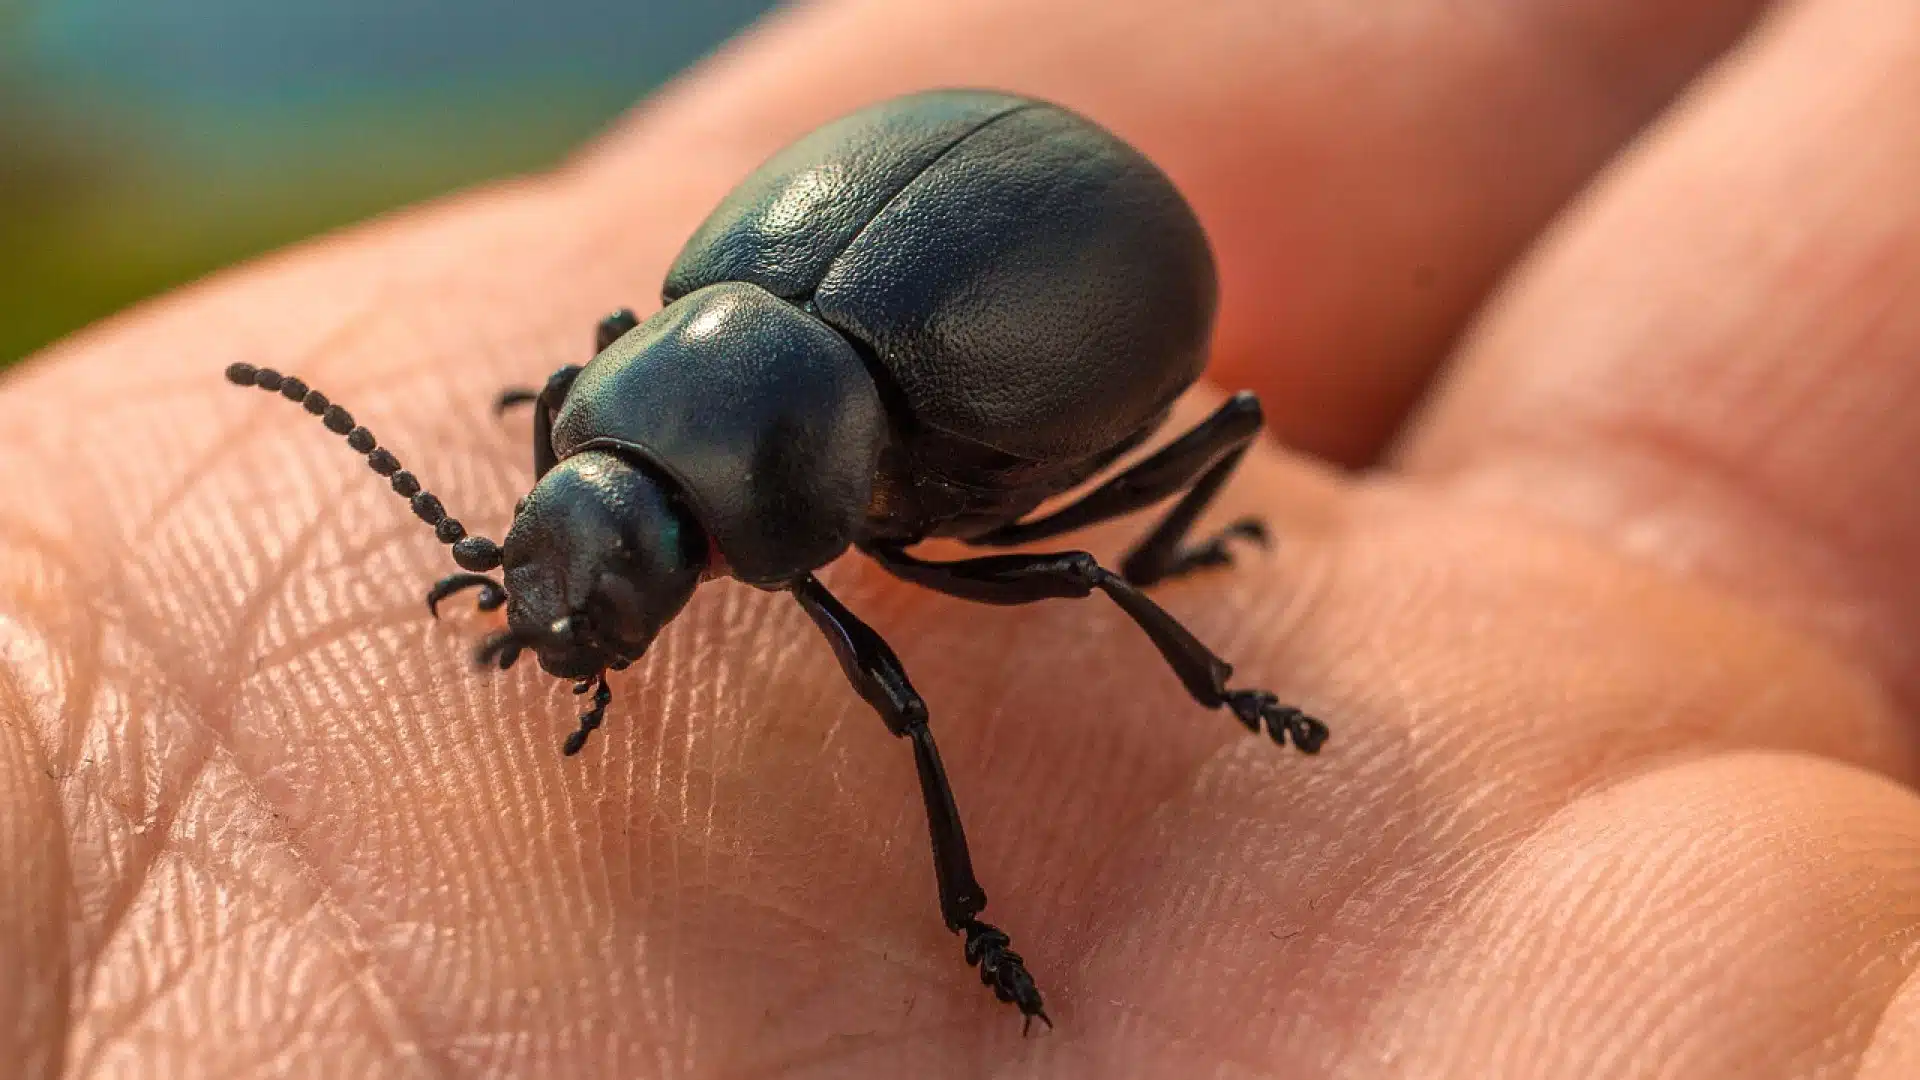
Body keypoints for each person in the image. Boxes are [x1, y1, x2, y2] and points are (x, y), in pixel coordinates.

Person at [2, 0, 1917, 1075]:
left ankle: (1137, 740)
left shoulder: (835, 470)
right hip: (869, 273)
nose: (578, 611)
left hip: (1029, 285)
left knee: (1085, 565)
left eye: (609, 555)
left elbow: (1113, 485)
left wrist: (1183, 685)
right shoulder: (662, 367)